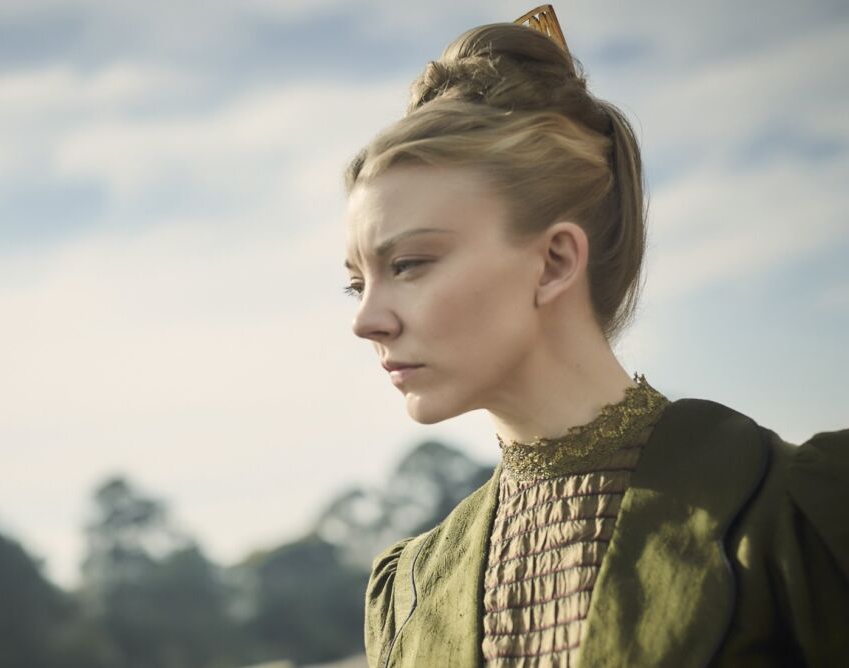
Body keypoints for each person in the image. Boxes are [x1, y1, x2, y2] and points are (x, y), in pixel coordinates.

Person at [340, 6, 849, 667]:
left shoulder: (797, 518)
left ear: (553, 261)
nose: (366, 319)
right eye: (358, 283)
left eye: (408, 265)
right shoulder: (407, 592)